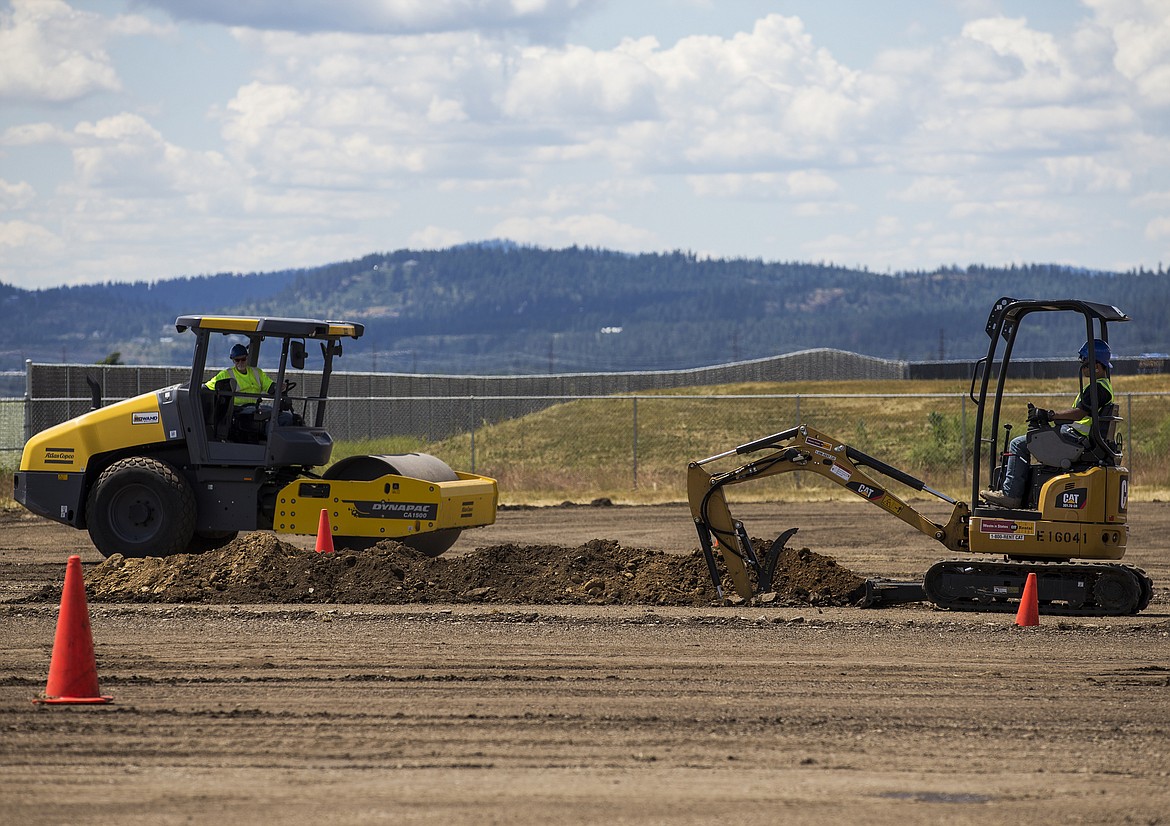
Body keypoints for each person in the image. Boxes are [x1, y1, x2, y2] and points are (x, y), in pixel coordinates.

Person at [981, 339, 1115, 509]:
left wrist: (1050, 415)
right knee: (1036, 436)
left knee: (1018, 444)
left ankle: (1010, 495)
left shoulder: (1098, 389)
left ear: (1097, 365)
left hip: (1076, 440)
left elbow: (1080, 414)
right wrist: (1049, 417)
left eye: (1085, 363)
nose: (1083, 366)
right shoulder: (1100, 387)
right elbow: (1079, 415)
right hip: (1077, 437)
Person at [206, 343, 292, 432]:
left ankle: (278, 437)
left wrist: (279, 387)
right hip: (238, 410)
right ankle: (272, 439)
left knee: (285, 416)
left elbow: (270, 386)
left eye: (243, 359)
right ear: (233, 360)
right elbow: (207, 387)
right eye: (237, 360)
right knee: (267, 420)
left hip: (255, 407)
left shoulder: (257, 372)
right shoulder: (226, 374)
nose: (240, 362)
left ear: (247, 358)